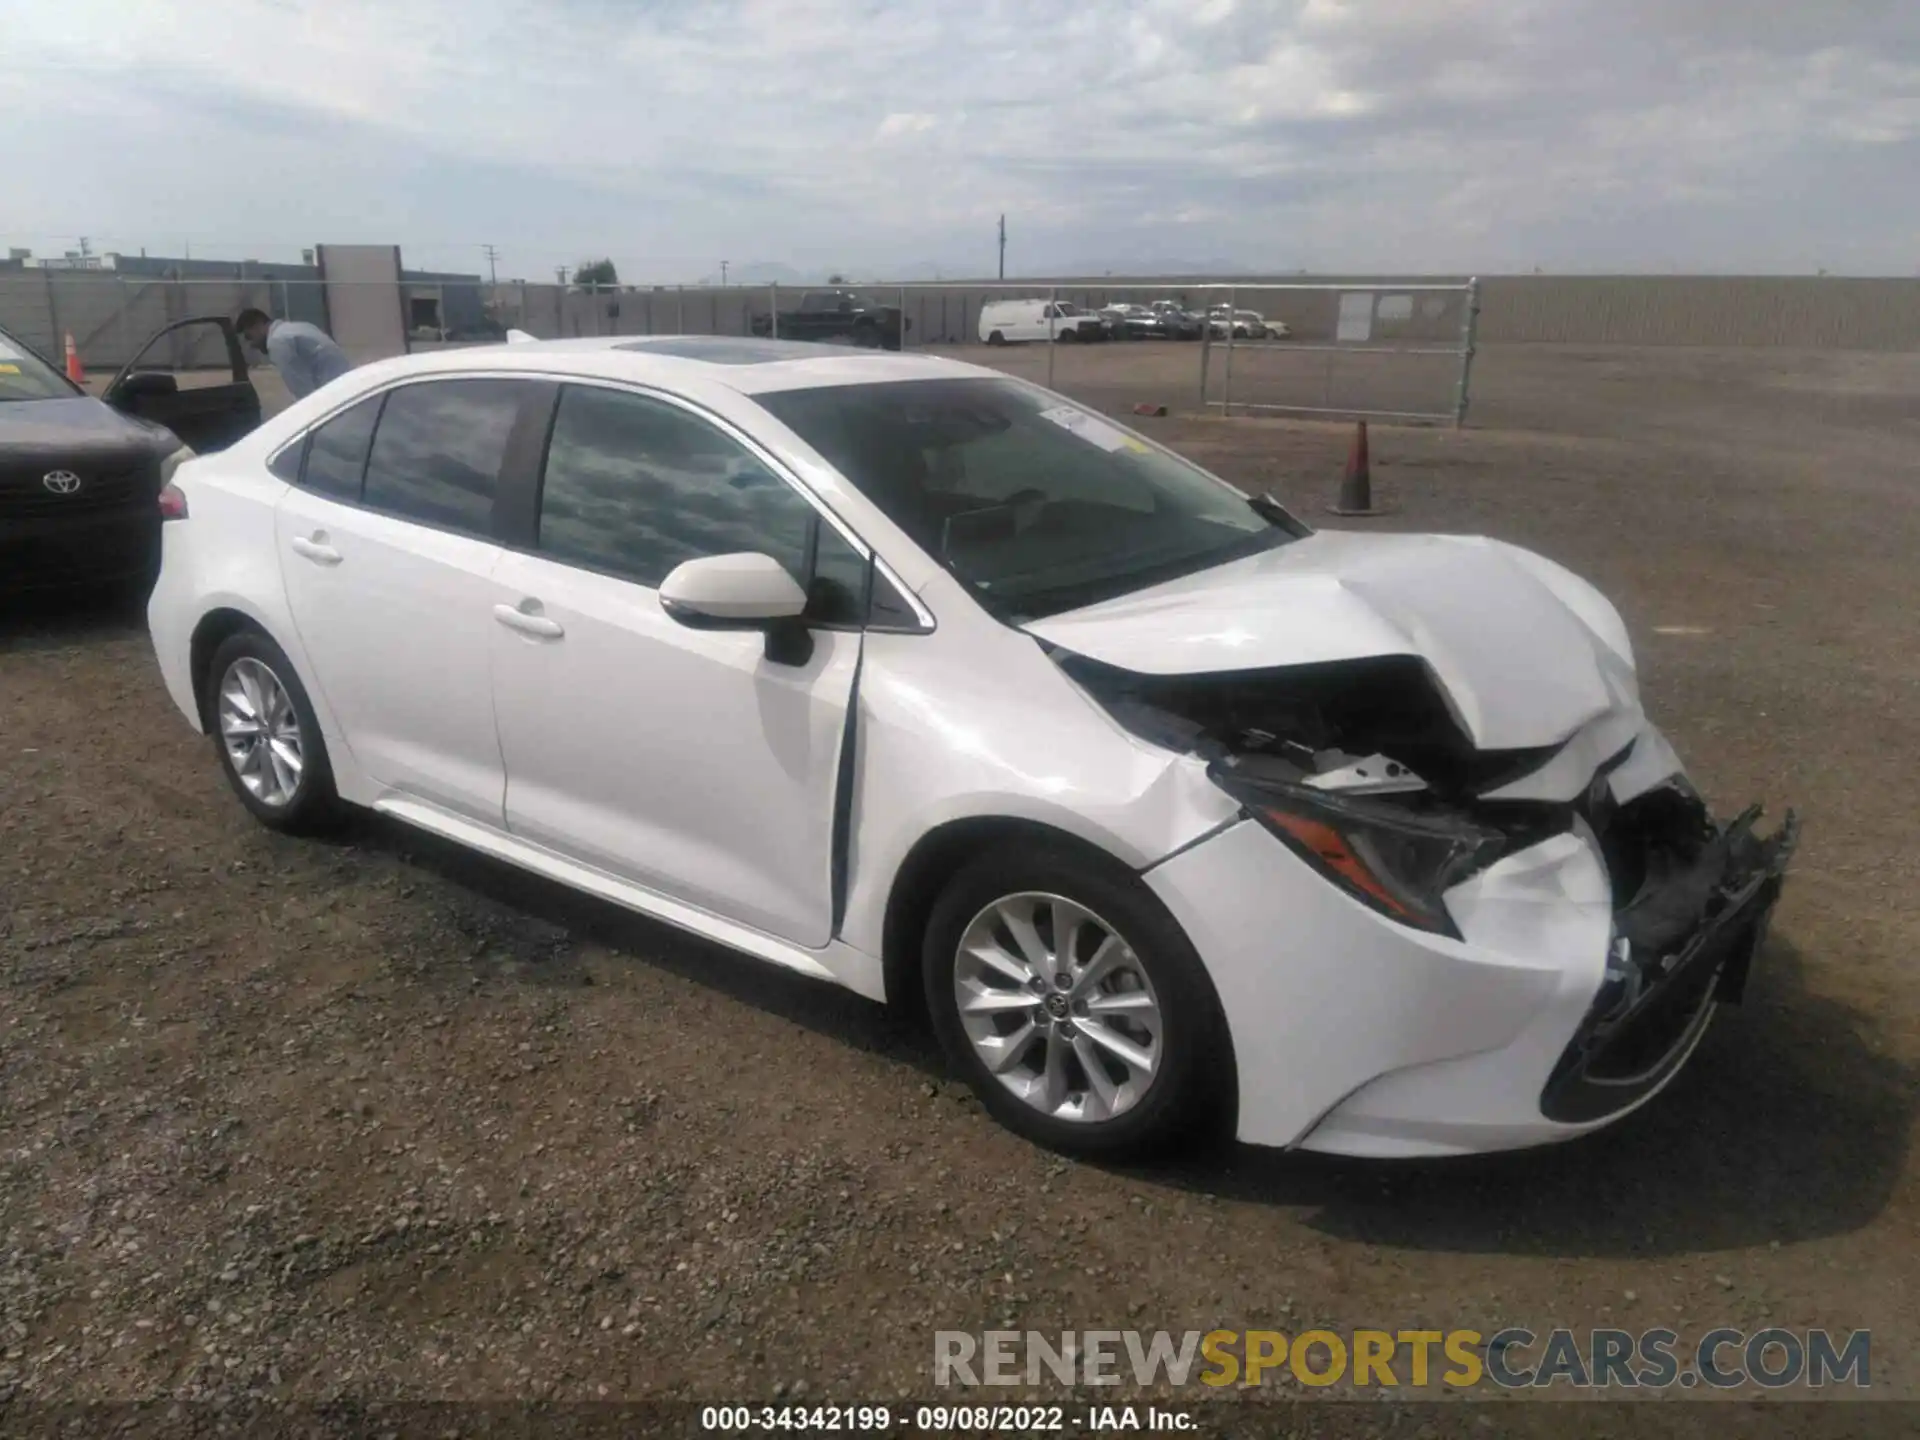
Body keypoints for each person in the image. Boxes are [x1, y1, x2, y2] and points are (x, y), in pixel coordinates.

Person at [234, 308, 354, 400]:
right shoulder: (300, 327)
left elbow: (303, 392)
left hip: (333, 396)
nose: (251, 345)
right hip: (345, 387)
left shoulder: (277, 342)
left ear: (258, 325)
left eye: (249, 337)